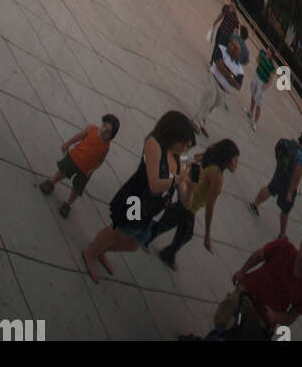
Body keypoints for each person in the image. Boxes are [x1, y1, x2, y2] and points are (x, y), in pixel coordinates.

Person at [81, 111, 196, 284]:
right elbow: (155, 184)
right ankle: (91, 252)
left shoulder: (179, 159)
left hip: (155, 211)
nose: (185, 149)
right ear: (174, 136)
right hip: (138, 200)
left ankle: (101, 250)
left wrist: (191, 184)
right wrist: (179, 178)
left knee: (134, 243)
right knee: (118, 231)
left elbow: (186, 201)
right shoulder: (154, 144)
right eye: (185, 144)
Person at [143, 138, 239, 268]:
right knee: (174, 226)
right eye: (235, 161)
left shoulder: (209, 158)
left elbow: (191, 159)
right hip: (189, 206)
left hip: (187, 198)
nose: (236, 165)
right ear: (227, 159)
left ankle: (166, 252)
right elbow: (210, 205)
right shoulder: (217, 177)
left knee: (179, 228)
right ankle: (147, 240)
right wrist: (207, 234)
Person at [206, 236, 302, 338]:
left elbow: (291, 316)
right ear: (300, 247)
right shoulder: (283, 247)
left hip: (263, 318)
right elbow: (259, 255)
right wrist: (242, 271)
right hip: (247, 295)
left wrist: (275, 316)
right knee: (223, 320)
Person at [40, 113, 120, 217]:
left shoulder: (106, 147)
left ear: (112, 136)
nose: (104, 131)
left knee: (77, 189)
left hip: (86, 170)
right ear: (102, 122)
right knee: (62, 172)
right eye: (104, 126)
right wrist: (67, 144)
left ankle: (67, 204)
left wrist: (92, 170)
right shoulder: (91, 129)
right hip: (74, 158)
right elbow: (78, 137)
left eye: (108, 132)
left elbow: (100, 161)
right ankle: (51, 182)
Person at [248, 132, 302, 240]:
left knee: (269, 189)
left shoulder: (292, 144)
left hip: (280, 172)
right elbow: (296, 178)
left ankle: (254, 205)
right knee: (285, 210)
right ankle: (282, 235)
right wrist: (290, 193)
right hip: (288, 183)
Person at [191, 35, 244, 138]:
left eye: (234, 46)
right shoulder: (221, 49)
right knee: (208, 98)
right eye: (231, 43)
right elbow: (218, 65)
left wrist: (225, 71)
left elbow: (238, 86)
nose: (230, 45)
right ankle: (195, 121)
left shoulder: (239, 69)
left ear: (238, 53)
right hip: (214, 79)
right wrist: (231, 77)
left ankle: (201, 122)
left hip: (224, 91)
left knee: (212, 105)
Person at [246, 46, 276, 133]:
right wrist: (258, 64)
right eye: (268, 49)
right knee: (253, 93)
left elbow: (271, 78)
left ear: (271, 54)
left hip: (262, 82)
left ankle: (255, 122)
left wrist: (266, 86)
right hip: (257, 76)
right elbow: (257, 58)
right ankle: (250, 111)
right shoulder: (262, 53)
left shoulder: (272, 66)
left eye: (269, 50)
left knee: (259, 103)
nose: (267, 50)